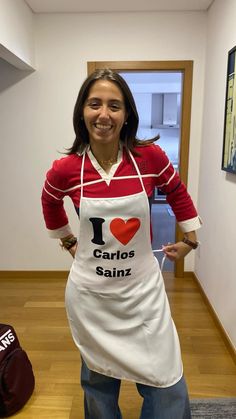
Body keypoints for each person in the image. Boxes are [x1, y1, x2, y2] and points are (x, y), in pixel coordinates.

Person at [41, 68, 202, 419]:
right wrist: (68, 240)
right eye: (94, 103)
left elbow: (175, 190)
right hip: (93, 297)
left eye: (114, 105)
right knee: (98, 382)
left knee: (167, 379)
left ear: (127, 113)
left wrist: (190, 238)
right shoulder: (66, 170)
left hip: (143, 292)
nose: (104, 114)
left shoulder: (150, 159)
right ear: (82, 111)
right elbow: (50, 201)